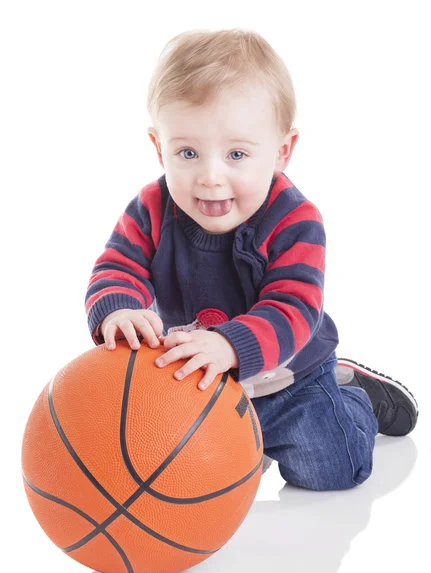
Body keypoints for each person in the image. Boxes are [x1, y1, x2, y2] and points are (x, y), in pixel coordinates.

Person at [85, 28, 418, 491]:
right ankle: (244, 443)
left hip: (290, 377)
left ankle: (353, 395)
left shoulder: (296, 221)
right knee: (169, 478)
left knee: (330, 470)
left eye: (237, 154)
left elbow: (294, 307)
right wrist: (118, 309)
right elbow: (118, 266)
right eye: (187, 153)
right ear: (159, 148)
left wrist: (231, 347)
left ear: (282, 152)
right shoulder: (152, 208)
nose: (210, 177)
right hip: (198, 379)